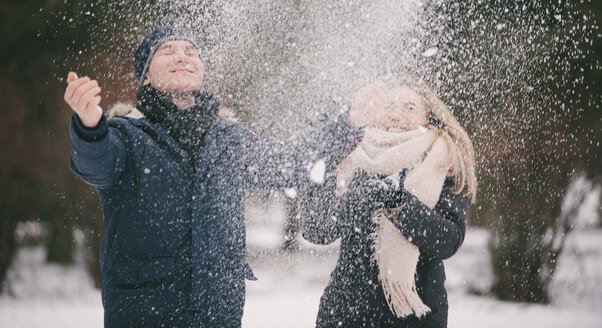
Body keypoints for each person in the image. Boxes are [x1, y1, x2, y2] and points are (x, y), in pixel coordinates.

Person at [65, 26, 364, 328]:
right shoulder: (124, 134)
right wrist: (89, 126)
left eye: (190, 51)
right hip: (144, 314)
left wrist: (349, 125)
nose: (182, 56)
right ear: (146, 77)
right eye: (168, 51)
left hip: (219, 316)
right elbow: (94, 164)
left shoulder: (230, 140)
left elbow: (297, 163)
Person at [300, 79, 477, 328]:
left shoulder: (444, 163)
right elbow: (317, 230)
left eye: (409, 108)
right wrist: (323, 157)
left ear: (428, 118)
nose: (396, 115)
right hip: (346, 312)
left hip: (413, 315)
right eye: (388, 106)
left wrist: (400, 204)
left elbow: (448, 241)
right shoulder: (353, 157)